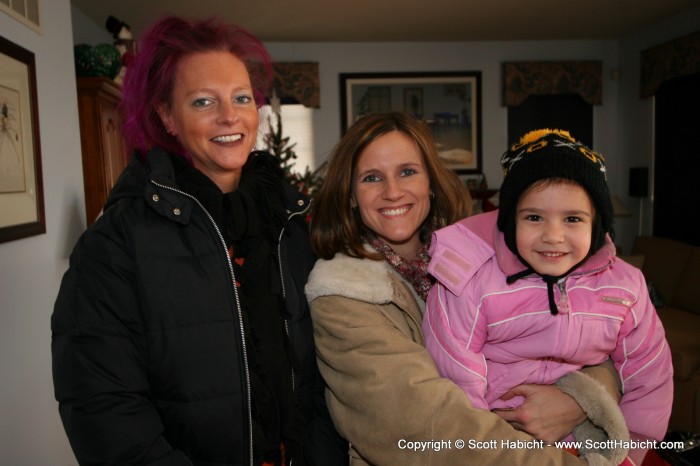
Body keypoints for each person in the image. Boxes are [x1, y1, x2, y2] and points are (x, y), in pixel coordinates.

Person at [52, 16, 345, 465]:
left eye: (242, 98)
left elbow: (325, 378)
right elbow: (104, 411)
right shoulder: (115, 245)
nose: (229, 116)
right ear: (166, 116)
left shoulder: (291, 223)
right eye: (203, 101)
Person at [305, 113, 622, 465]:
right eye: (371, 178)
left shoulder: (494, 257)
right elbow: (426, 427)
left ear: (430, 183)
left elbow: (600, 341)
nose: (393, 191)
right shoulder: (343, 295)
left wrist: (579, 398)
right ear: (350, 196)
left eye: (408, 171)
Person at [423, 129, 674, 465]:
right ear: (510, 221)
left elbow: (650, 374)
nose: (553, 236)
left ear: (597, 225)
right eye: (534, 217)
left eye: (572, 219)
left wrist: (629, 454)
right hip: (499, 437)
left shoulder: (625, 287)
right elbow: (455, 376)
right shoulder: (472, 282)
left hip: (585, 438)